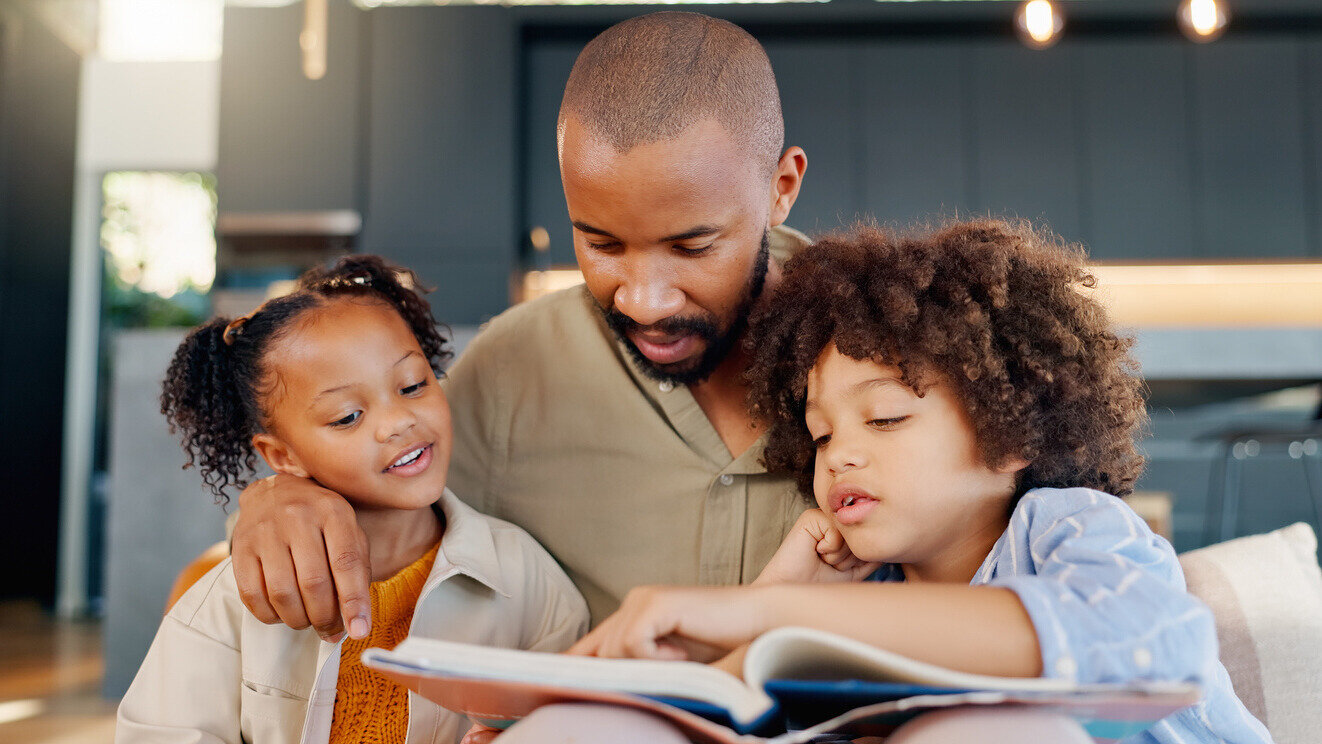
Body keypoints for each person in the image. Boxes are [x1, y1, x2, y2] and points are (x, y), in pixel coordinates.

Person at [227, 11, 812, 641]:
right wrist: (279, 500)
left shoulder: (887, 353)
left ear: (781, 188)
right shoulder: (512, 369)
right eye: (603, 245)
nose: (643, 302)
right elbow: (377, 476)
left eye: (692, 248)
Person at [571, 220, 1273, 743]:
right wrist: (777, 599)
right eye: (820, 435)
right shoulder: (867, 591)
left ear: (1011, 433)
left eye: (884, 418)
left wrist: (774, 616)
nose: (839, 455)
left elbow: (1152, 636)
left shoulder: (1064, 528)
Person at [117, 256, 588, 744]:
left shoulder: (527, 580)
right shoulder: (229, 599)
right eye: (347, 417)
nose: (398, 422)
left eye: (413, 385)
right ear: (283, 455)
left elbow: (582, 720)